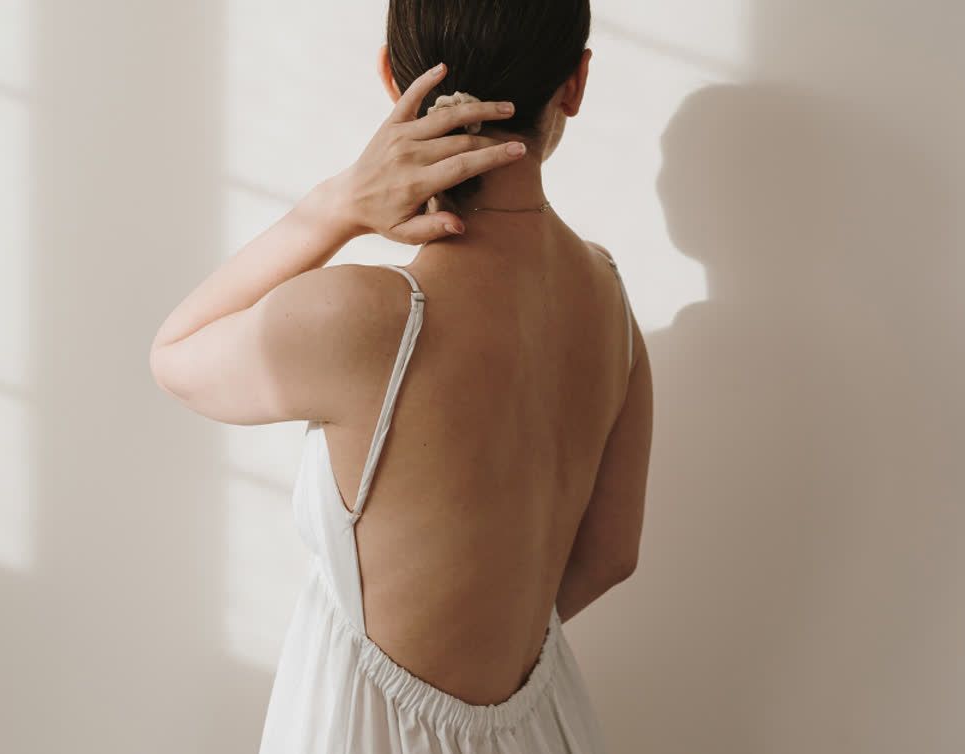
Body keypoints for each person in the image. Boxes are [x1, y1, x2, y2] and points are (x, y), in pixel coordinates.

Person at [149, 1, 650, 750]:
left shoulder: (366, 317)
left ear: (393, 77)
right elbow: (612, 555)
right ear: (576, 83)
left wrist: (336, 207)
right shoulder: (607, 294)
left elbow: (174, 356)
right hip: (546, 727)